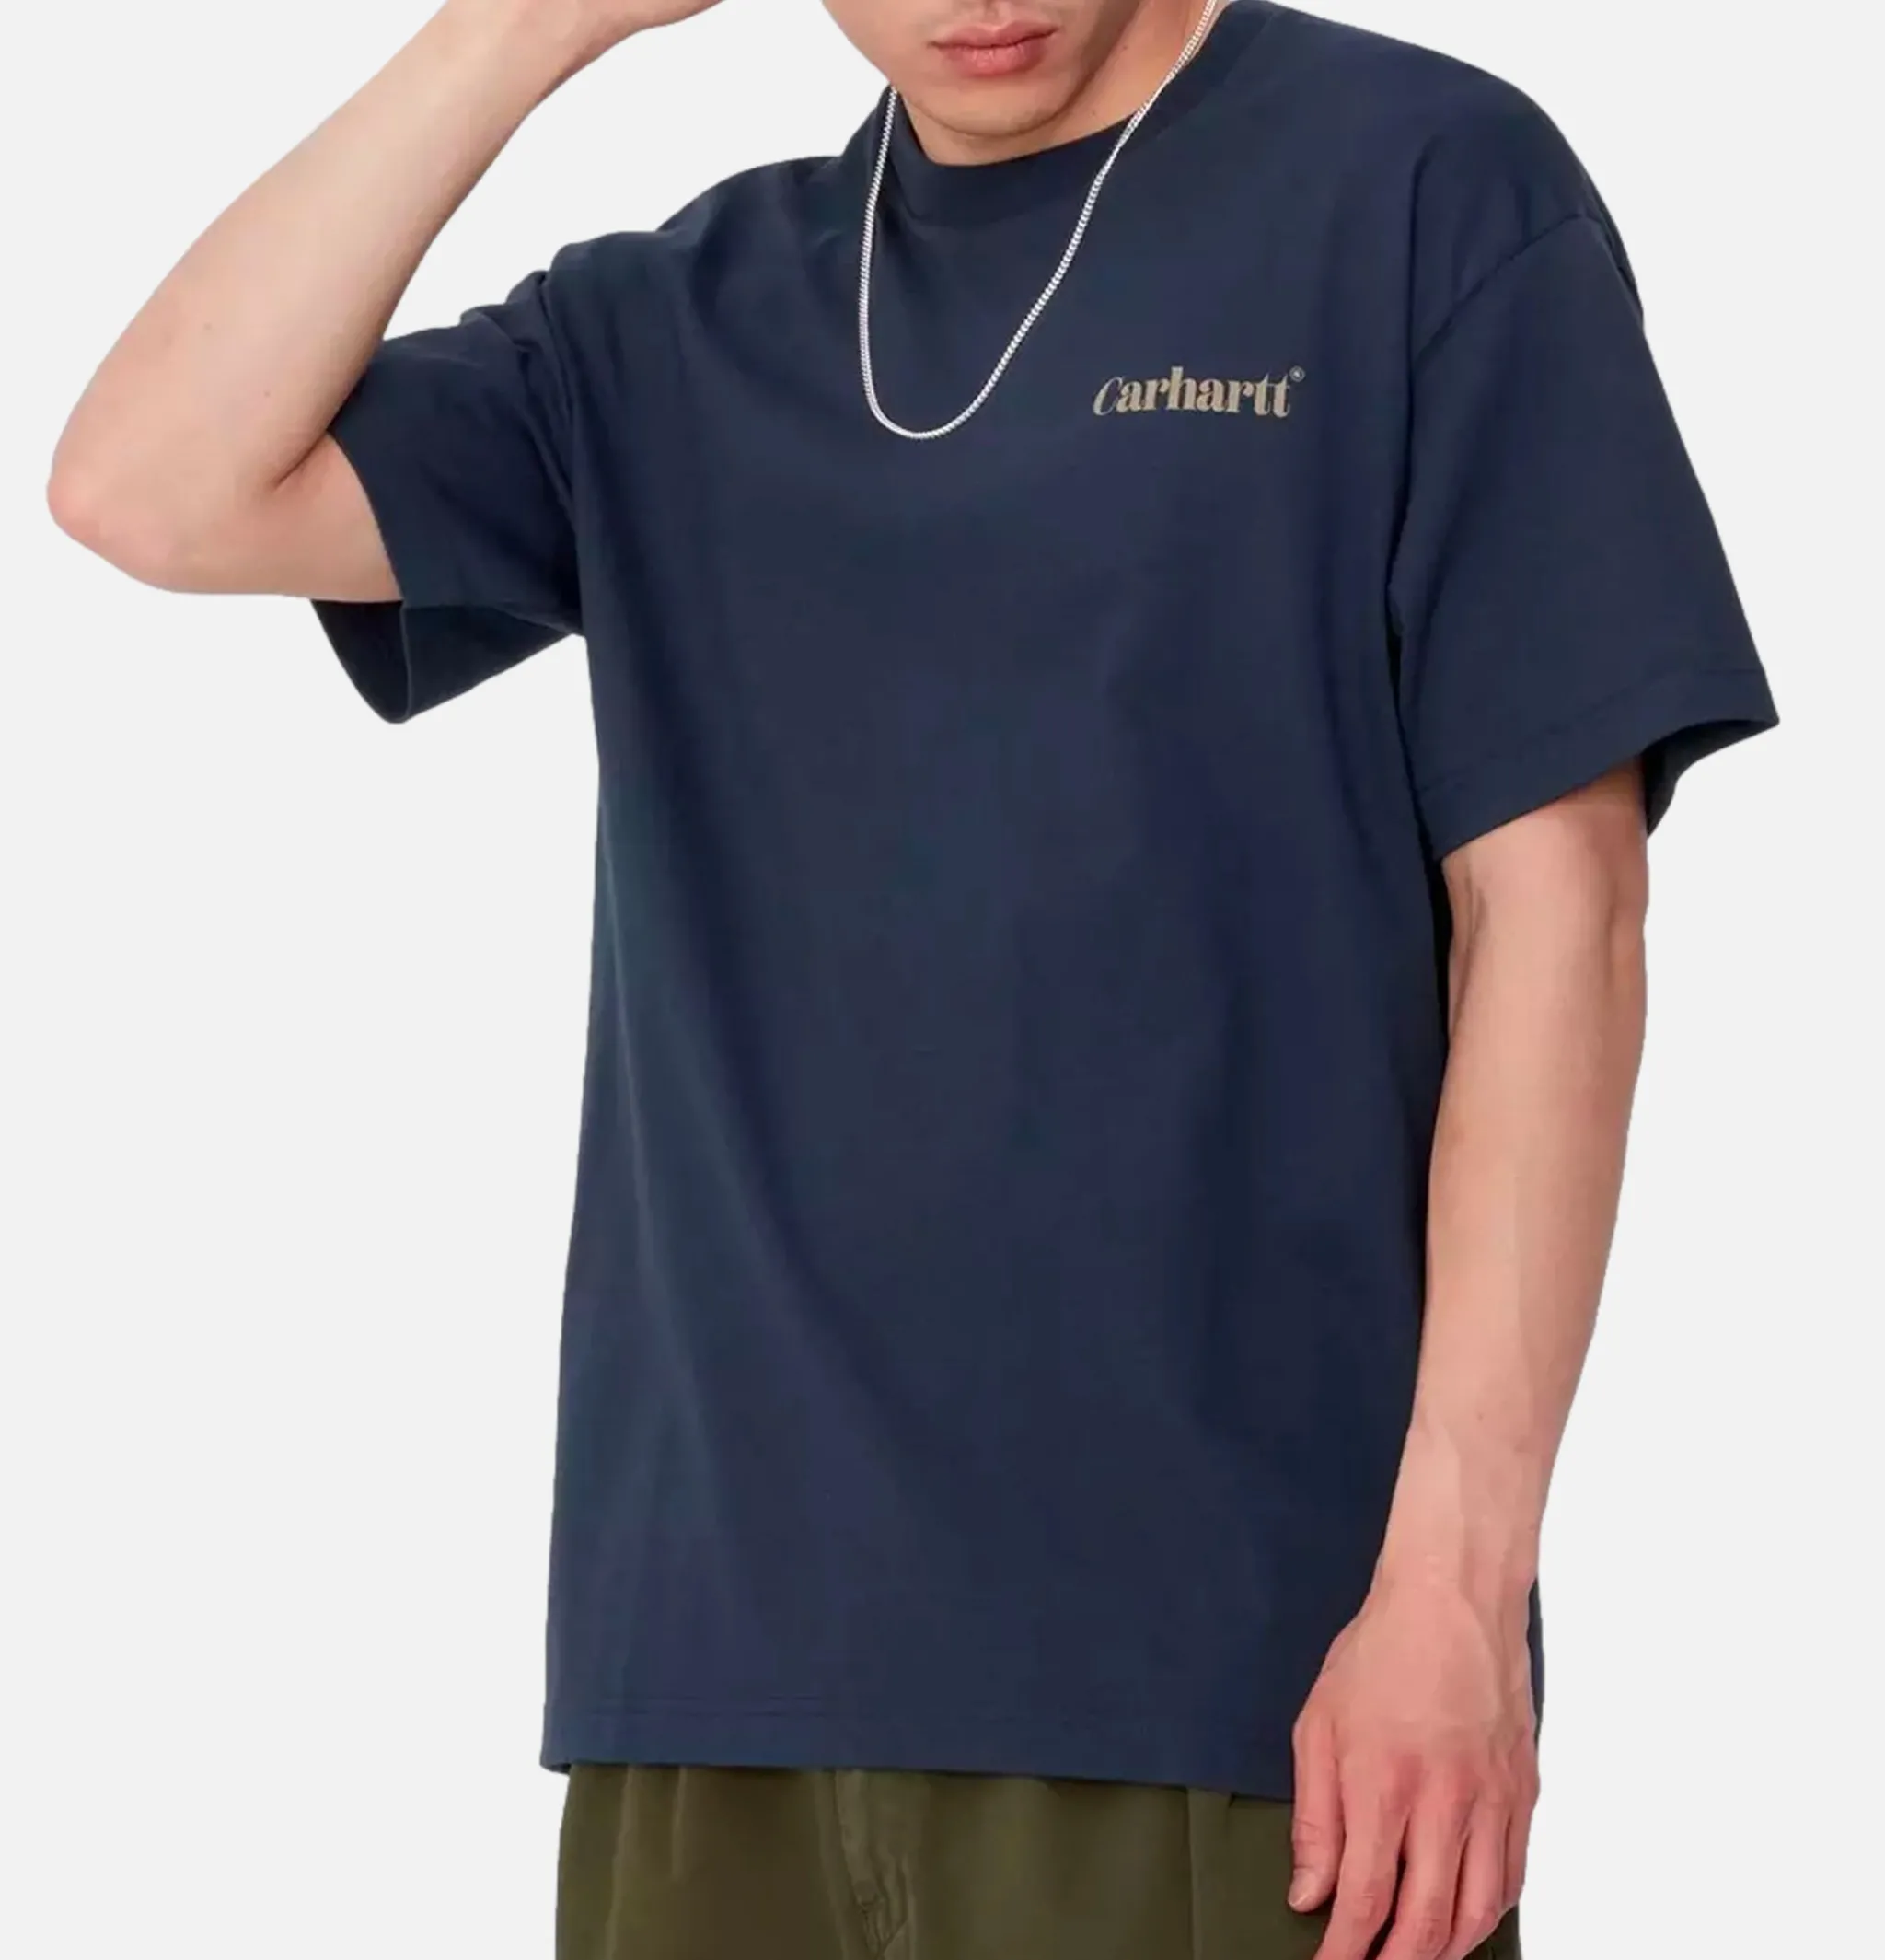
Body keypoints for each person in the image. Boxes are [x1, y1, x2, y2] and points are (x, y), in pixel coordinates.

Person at [47, 0, 1779, 1954]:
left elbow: (1560, 917)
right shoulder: (680, 319)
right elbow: (151, 488)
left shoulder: (1419, 188)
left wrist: (1455, 1594)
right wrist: (525, 28)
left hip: (1242, 1690)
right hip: (713, 1690)